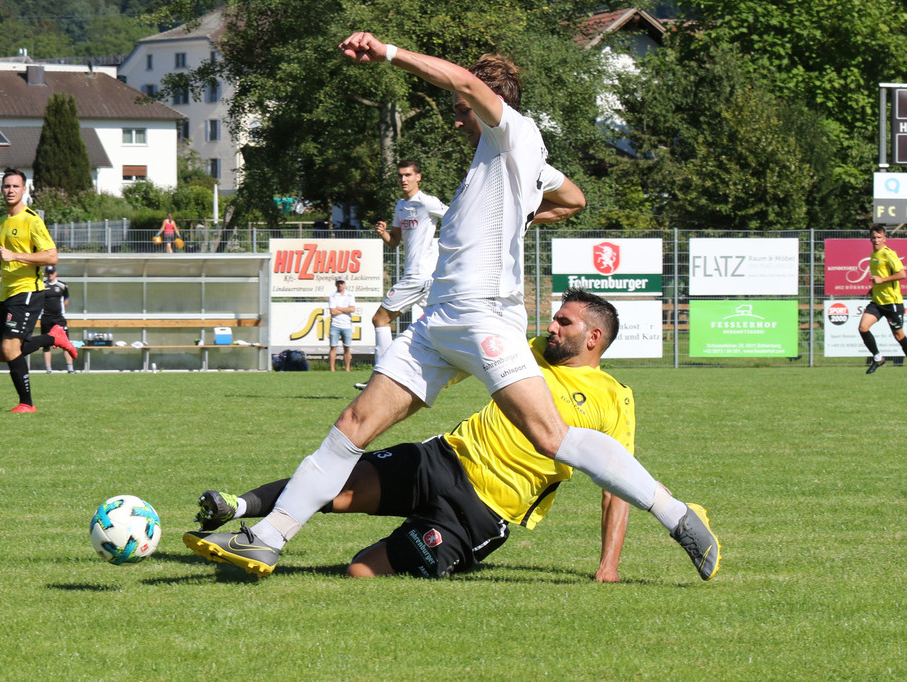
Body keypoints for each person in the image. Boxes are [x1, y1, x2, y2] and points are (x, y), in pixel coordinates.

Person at [183, 33, 719, 583]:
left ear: (489, 102)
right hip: (438, 324)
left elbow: (470, 88)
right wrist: (524, 212)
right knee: (353, 424)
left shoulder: (515, 132)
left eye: (463, 108)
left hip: (484, 316)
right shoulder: (505, 160)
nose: (456, 117)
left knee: (550, 438)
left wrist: (387, 53)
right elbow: (573, 198)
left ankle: (678, 515)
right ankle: (268, 539)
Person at [189, 290, 635, 581]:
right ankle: (238, 508)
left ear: (593, 337)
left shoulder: (615, 398)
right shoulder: (527, 350)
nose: (551, 327)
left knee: (361, 572)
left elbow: (616, 487)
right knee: (336, 485)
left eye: (564, 323)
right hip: (441, 459)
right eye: (554, 319)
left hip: (481, 513)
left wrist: (608, 565)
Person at [0, 168, 77, 413]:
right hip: (6, 293)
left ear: (24, 190)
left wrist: (15, 255)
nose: (11, 190)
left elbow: (51, 256)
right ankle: (54, 337)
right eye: (7, 186)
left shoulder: (32, 220)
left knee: (10, 349)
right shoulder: (2, 222)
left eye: (15, 186)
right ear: (1, 190)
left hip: (28, 291)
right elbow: (5, 259)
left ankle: (27, 404)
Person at [355, 160, 448, 389]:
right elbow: (394, 242)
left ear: (418, 177)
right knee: (437, 328)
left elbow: (455, 216)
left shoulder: (427, 202)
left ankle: (381, 380)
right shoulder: (400, 206)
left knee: (380, 319)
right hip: (424, 277)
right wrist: (383, 234)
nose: (403, 179)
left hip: (418, 276)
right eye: (400, 176)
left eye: (408, 175)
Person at [858, 224, 907, 373]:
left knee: (898, 335)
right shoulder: (874, 255)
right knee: (863, 328)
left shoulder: (888, 254)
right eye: (873, 237)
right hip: (878, 302)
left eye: (879, 237)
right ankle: (878, 358)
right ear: (870, 239)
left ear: (885, 238)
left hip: (892, 302)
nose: (876, 240)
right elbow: (879, 276)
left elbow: (902, 274)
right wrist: (874, 288)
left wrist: (881, 280)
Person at [39, 265, 75, 374]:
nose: (50, 275)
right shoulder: (42, 285)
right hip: (46, 318)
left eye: (52, 272)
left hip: (59, 318)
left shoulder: (62, 285)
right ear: (46, 274)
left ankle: (70, 368)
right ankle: (48, 369)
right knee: (46, 344)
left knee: (66, 342)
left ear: (56, 273)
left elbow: (66, 298)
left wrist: (62, 308)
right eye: (48, 273)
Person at [328, 279, 356, 372]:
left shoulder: (350, 295)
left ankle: (347, 369)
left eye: (341, 283)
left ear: (344, 284)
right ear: (336, 284)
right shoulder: (332, 296)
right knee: (333, 347)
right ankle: (332, 369)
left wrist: (339, 308)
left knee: (347, 348)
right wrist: (345, 309)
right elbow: (332, 312)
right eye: (338, 283)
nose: (340, 285)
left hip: (347, 325)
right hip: (335, 325)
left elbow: (352, 309)